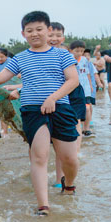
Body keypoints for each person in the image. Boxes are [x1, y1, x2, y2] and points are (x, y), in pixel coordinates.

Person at [0, 11, 79, 216]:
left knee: (70, 159)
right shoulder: (20, 58)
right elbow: (0, 79)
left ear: (48, 30)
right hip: (32, 110)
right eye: (30, 30)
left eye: (39, 29)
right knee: (39, 156)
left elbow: (73, 81)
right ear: (23, 33)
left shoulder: (62, 55)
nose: (35, 34)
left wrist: (53, 98)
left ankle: (69, 183)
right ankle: (43, 206)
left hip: (60, 108)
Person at [49, 22, 84, 188]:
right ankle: (58, 179)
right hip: (55, 97)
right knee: (57, 143)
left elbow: (70, 80)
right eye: (50, 35)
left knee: (72, 127)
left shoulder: (64, 54)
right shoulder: (38, 55)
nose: (53, 39)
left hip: (72, 94)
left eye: (57, 35)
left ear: (63, 37)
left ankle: (73, 155)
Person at [70, 40, 95, 136]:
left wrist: (91, 85)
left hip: (86, 88)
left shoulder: (85, 60)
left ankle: (86, 128)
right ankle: (76, 127)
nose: (79, 53)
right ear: (71, 50)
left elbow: (88, 74)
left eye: (81, 51)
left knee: (87, 108)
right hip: (74, 88)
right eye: (77, 51)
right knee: (75, 109)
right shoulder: (69, 59)